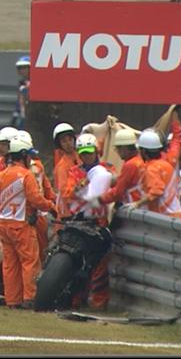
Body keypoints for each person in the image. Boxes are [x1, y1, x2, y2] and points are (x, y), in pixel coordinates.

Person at [0, 135, 56, 309]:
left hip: (4, 225)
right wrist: (51, 206)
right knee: (29, 262)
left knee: (10, 265)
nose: (31, 159)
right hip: (21, 225)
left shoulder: (0, 175)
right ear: (23, 155)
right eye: (29, 155)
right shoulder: (26, 175)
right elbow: (36, 199)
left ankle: (12, 300)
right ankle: (29, 298)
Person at [63, 133, 114, 310]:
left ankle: (99, 302)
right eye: (83, 153)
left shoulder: (106, 169)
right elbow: (67, 194)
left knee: (101, 264)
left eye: (89, 152)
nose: (86, 156)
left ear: (96, 151)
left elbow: (115, 186)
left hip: (99, 221)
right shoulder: (74, 172)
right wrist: (79, 187)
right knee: (75, 261)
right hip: (78, 220)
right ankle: (75, 299)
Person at [127, 129, 181, 219]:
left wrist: (137, 204)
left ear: (144, 152)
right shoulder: (166, 165)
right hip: (177, 215)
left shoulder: (152, 168)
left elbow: (156, 191)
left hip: (164, 217)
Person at [18, 130, 56, 263]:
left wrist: (52, 200)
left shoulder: (38, 166)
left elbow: (46, 186)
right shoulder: (8, 169)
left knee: (42, 248)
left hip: (40, 213)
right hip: (21, 216)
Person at [95, 129, 144, 206]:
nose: (117, 152)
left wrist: (99, 199)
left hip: (133, 207)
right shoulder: (140, 160)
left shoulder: (130, 165)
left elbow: (118, 192)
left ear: (125, 148)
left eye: (118, 148)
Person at [0, 126, 19, 218]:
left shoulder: (25, 164)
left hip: (19, 212)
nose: (0, 147)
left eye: (3, 144)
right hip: (1, 213)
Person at [52, 123, 80, 219]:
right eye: (64, 141)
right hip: (68, 213)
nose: (68, 143)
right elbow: (64, 193)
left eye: (70, 139)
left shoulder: (81, 158)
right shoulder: (62, 167)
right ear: (59, 144)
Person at [12, 55, 30, 130]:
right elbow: (19, 101)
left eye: (24, 68)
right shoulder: (21, 83)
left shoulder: (37, 83)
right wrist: (16, 114)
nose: (21, 70)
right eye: (19, 68)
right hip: (24, 117)